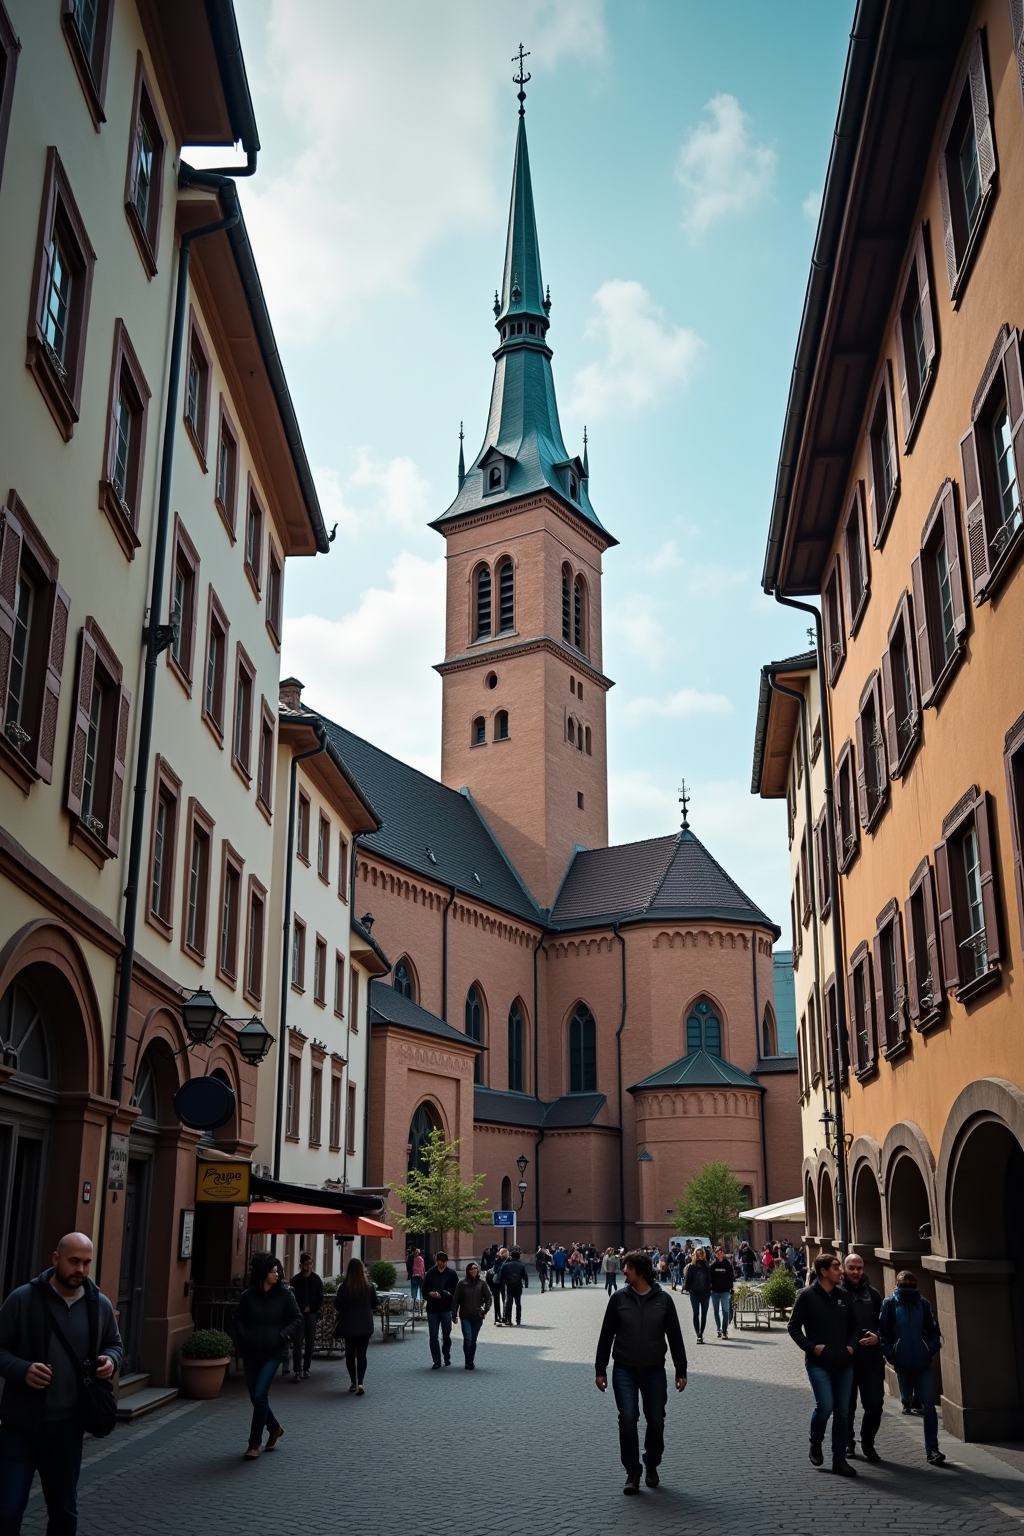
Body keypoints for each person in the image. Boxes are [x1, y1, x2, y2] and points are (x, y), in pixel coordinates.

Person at [0, 1231, 122, 1534]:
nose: (80, 1269)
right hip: (20, 1426)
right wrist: (21, 1369)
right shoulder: (23, 1299)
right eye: (73, 1261)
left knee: (64, 1512)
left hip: (68, 1427)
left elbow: (115, 1344)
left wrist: (111, 1361)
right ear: (56, 1259)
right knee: (7, 1511)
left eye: (86, 1263)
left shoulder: (99, 1304)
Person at [594, 1250, 688, 1495]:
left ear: (641, 1271)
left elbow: (675, 1336)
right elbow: (606, 1336)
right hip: (624, 1369)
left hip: (654, 1370)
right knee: (627, 1418)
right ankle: (632, 1472)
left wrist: (681, 1369)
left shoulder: (664, 1300)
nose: (623, 1271)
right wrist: (600, 1369)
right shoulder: (618, 1299)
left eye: (628, 1268)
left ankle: (652, 1464)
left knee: (656, 1420)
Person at [787, 1252, 859, 1477]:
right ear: (823, 1272)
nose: (841, 1271)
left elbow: (855, 1326)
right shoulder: (807, 1296)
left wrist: (851, 1346)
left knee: (843, 1412)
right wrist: (811, 1347)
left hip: (844, 1363)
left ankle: (839, 1459)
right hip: (818, 1363)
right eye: (837, 1267)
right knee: (825, 1406)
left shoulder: (843, 1296)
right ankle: (815, 1441)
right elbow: (793, 1326)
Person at [234, 1251, 302, 1460]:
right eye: (273, 1271)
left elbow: (296, 1319)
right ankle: (274, 1427)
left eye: (278, 1271)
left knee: (260, 1393)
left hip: (274, 1350)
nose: (277, 1274)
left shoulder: (285, 1294)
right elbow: (239, 1319)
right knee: (255, 1395)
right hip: (251, 1351)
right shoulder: (248, 1296)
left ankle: (254, 1443)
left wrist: (282, 1336)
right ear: (263, 1273)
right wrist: (243, 1337)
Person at [879, 1270, 945, 1466]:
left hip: (923, 1362)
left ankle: (932, 1449)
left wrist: (930, 1349)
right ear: (897, 1285)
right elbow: (883, 1332)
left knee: (929, 1405)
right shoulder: (890, 1304)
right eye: (903, 1283)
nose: (906, 1286)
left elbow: (934, 1331)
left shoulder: (923, 1304)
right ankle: (907, 1401)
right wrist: (891, 1355)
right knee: (906, 1392)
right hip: (902, 1361)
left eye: (910, 1283)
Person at [841, 1252, 884, 1463]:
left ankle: (868, 1442)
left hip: (872, 1360)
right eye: (852, 1268)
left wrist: (879, 1337)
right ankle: (848, 1442)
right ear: (844, 1269)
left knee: (874, 1405)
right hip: (846, 1361)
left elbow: (885, 1324)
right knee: (847, 1406)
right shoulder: (837, 1293)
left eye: (859, 1267)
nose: (856, 1272)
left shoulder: (874, 1294)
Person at [332, 1256, 378, 1394]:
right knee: (362, 1355)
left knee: (350, 1354)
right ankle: (361, 1382)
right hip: (365, 1325)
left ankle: (353, 1381)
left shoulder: (345, 1287)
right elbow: (375, 1303)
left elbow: (338, 1305)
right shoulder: (369, 1286)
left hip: (349, 1325)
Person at [290, 1251, 324, 1381]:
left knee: (310, 1342)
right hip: (299, 1315)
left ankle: (306, 1368)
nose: (308, 1266)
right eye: (306, 1264)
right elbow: (292, 1298)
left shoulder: (316, 1279)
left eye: (310, 1264)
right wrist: (299, 1308)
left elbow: (320, 1298)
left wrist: (313, 1308)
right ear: (301, 1265)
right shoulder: (296, 1280)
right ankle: (297, 1370)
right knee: (298, 1343)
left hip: (311, 1314)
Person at [452, 1262, 492, 1368]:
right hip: (465, 1315)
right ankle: (468, 1361)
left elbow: (489, 1297)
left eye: (475, 1269)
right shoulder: (462, 1284)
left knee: (473, 1339)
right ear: (468, 1271)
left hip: (478, 1315)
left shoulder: (482, 1283)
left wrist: (486, 1309)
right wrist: (454, 1314)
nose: (474, 1271)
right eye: (471, 1269)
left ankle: (471, 1359)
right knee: (468, 1338)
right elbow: (456, 1300)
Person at [423, 1251, 458, 1368]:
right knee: (433, 1335)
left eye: (444, 1260)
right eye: (440, 1260)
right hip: (432, 1309)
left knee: (446, 1335)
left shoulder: (452, 1274)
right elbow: (424, 1291)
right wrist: (430, 1294)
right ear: (436, 1260)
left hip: (446, 1308)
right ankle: (436, 1361)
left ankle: (446, 1354)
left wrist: (450, 1295)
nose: (441, 1262)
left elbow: (456, 1294)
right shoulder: (430, 1274)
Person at [682, 1246, 711, 1342]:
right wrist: (688, 1289)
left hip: (705, 1293)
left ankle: (701, 1332)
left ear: (704, 1255)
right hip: (694, 1293)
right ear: (694, 1255)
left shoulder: (707, 1266)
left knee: (704, 1314)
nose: (699, 1256)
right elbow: (687, 1279)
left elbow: (710, 1279)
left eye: (701, 1254)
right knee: (696, 1313)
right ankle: (698, 1334)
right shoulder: (691, 1266)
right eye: (698, 1254)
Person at [708, 1245, 735, 1339]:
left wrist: (730, 1287)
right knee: (716, 1311)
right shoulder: (712, 1265)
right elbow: (709, 1278)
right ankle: (718, 1329)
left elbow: (731, 1277)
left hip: (725, 1291)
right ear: (715, 1254)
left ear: (724, 1254)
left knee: (725, 1311)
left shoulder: (728, 1265)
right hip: (715, 1291)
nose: (719, 1254)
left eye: (721, 1252)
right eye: (718, 1253)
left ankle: (724, 1331)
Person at [500, 1247, 529, 1325]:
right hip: (518, 1286)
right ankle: (518, 1319)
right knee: (518, 1303)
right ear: (518, 1257)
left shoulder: (505, 1265)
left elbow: (501, 1276)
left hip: (509, 1285)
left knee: (509, 1302)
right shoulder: (521, 1265)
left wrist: (502, 1283)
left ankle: (508, 1318)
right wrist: (526, 1284)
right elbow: (525, 1276)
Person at [491, 1247, 508, 1326]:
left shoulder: (508, 1260)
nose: (506, 1254)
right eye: (504, 1253)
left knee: (506, 1300)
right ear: (500, 1254)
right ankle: (497, 1317)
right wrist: (504, 1268)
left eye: (506, 1253)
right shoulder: (497, 1261)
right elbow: (495, 1270)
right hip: (497, 1282)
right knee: (497, 1300)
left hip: (506, 1283)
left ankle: (505, 1317)